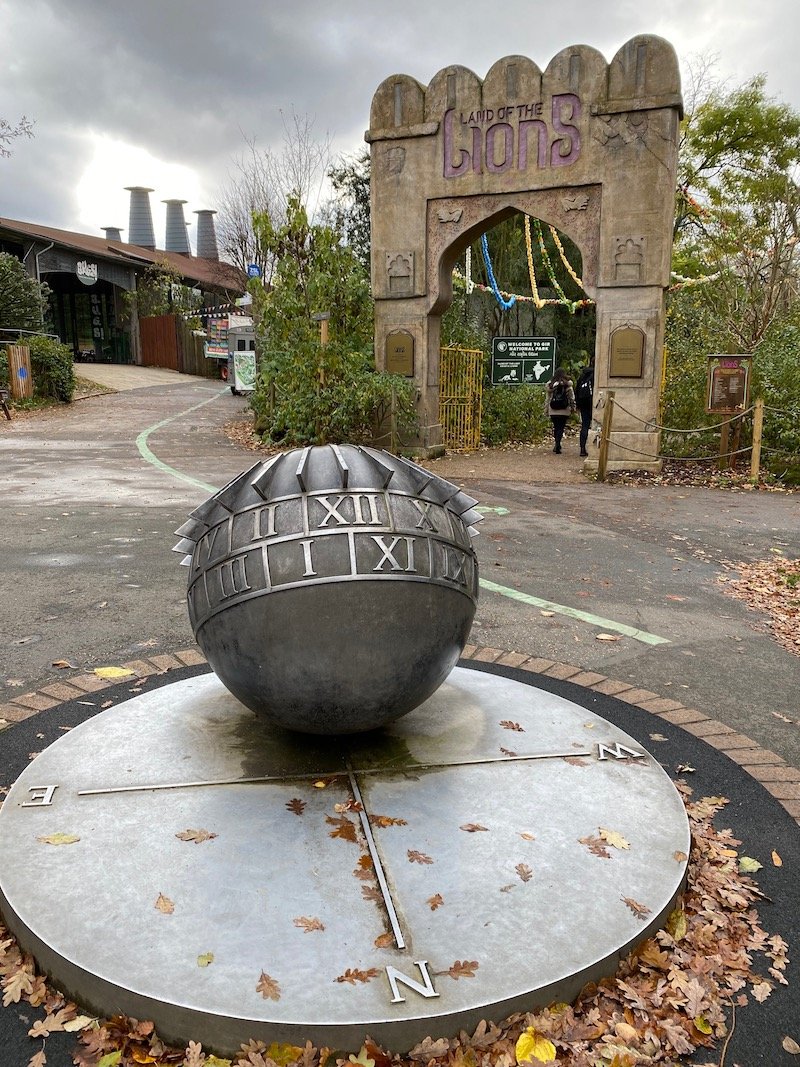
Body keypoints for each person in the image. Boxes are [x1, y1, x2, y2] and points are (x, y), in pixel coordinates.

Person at [545, 367, 575, 454]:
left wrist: (546, 410)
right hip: (564, 410)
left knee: (556, 427)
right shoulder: (567, 385)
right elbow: (571, 398)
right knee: (561, 428)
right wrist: (573, 408)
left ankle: (556, 443)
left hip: (553, 409)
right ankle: (558, 443)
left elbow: (547, 399)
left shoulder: (550, 385)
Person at [574, 357, 595, 457]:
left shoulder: (583, 375)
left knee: (585, 426)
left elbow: (577, 390)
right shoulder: (596, 375)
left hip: (583, 403)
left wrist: (578, 404)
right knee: (598, 425)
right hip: (594, 402)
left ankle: (582, 448)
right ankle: (597, 448)